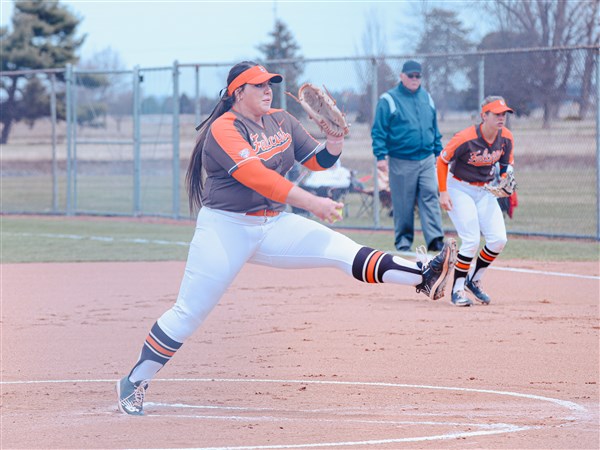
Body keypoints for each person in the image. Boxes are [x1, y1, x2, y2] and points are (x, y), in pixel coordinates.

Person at [116, 61, 457, 415]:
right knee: (189, 313)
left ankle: (424, 276)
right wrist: (312, 202)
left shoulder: (281, 121)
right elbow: (258, 177)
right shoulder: (224, 129)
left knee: (342, 250)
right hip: (225, 228)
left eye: (271, 85)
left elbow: (318, 161)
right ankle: (134, 381)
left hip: (274, 224)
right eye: (259, 85)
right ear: (237, 93)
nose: (268, 90)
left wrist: (335, 141)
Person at [437, 96, 515, 307]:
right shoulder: (466, 138)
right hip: (459, 188)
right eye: (497, 114)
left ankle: (474, 280)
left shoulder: (506, 137)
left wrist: (506, 178)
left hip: (485, 190)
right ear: (484, 116)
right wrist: (444, 192)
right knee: (471, 239)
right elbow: (442, 161)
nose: (501, 118)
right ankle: (457, 289)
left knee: (499, 239)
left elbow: (506, 164)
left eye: (504, 114)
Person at [371, 60, 445, 253]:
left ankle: (435, 239)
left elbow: (434, 128)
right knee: (403, 201)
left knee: (430, 195)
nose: (414, 79)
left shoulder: (426, 98)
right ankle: (403, 241)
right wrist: (380, 156)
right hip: (401, 159)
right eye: (410, 75)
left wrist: (438, 152)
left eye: (417, 76)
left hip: (427, 158)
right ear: (402, 76)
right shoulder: (389, 99)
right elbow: (379, 131)